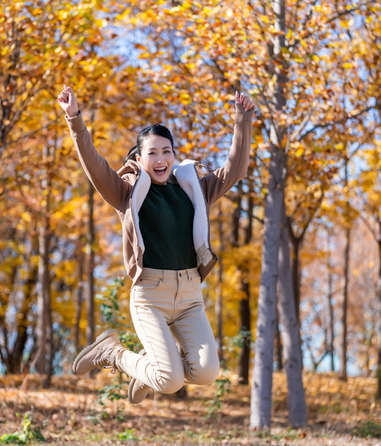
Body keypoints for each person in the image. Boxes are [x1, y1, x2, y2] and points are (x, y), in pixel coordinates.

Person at [58, 85, 255, 404]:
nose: (161, 159)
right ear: (139, 158)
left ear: (174, 155)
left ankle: (147, 369)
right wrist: (75, 118)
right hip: (150, 295)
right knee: (170, 380)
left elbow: (235, 170)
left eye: (167, 151)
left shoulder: (196, 190)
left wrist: (242, 121)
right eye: (152, 153)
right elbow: (94, 166)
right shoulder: (127, 193)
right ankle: (114, 353)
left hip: (190, 296)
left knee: (205, 373)